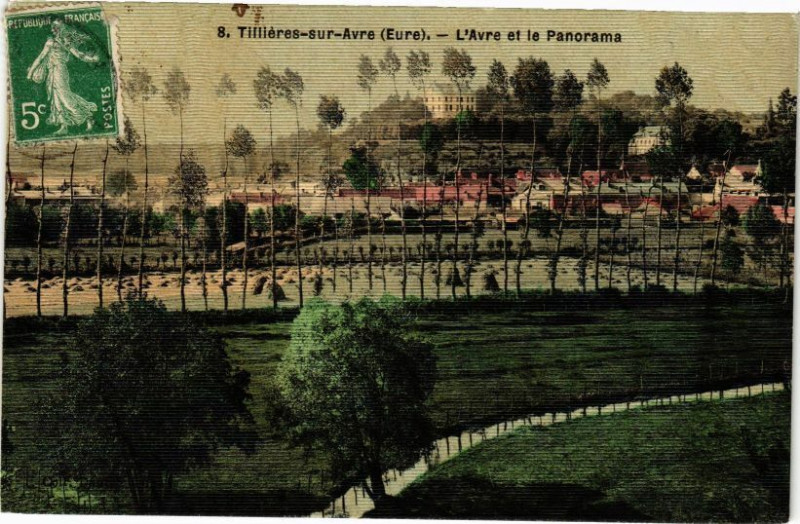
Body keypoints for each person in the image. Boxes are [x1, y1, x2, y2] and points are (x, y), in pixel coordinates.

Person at [26, 19, 99, 135]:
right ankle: (64, 126)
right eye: (52, 27)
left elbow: (78, 54)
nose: (53, 29)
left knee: (65, 97)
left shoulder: (65, 41)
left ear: (61, 28)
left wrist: (91, 59)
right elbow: (40, 58)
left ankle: (88, 118)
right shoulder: (50, 42)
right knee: (56, 98)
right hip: (52, 72)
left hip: (60, 71)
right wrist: (30, 73)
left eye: (55, 27)